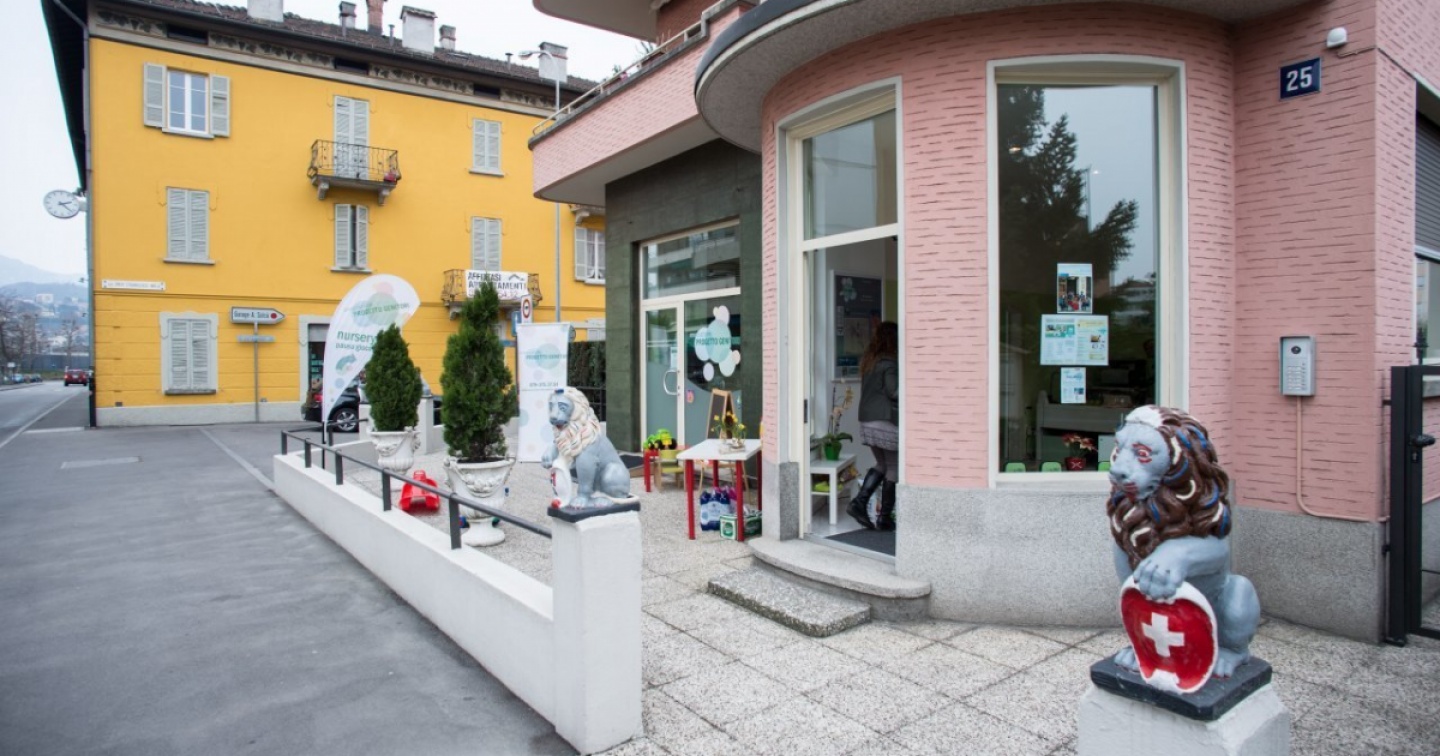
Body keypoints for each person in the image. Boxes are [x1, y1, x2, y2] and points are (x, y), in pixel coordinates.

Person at [848, 321, 899, 531]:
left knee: (882, 464)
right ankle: (884, 518)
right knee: (894, 467)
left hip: (867, 421)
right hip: (884, 421)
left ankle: (859, 503)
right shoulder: (889, 364)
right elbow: (894, 392)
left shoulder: (870, 362)